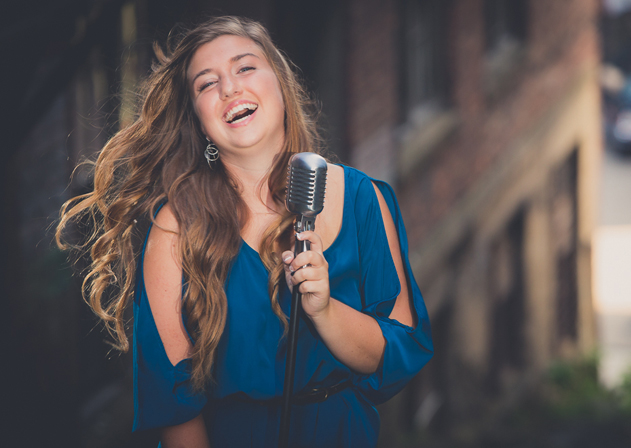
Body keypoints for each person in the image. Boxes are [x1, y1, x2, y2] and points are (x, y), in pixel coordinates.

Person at [57, 16, 433, 447]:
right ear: (199, 123)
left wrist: (325, 311)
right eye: (206, 84)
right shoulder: (175, 229)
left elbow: (397, 353)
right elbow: (175, 408)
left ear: (280, 84)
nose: (230, 88)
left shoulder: (363, 198)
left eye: (245, 67)